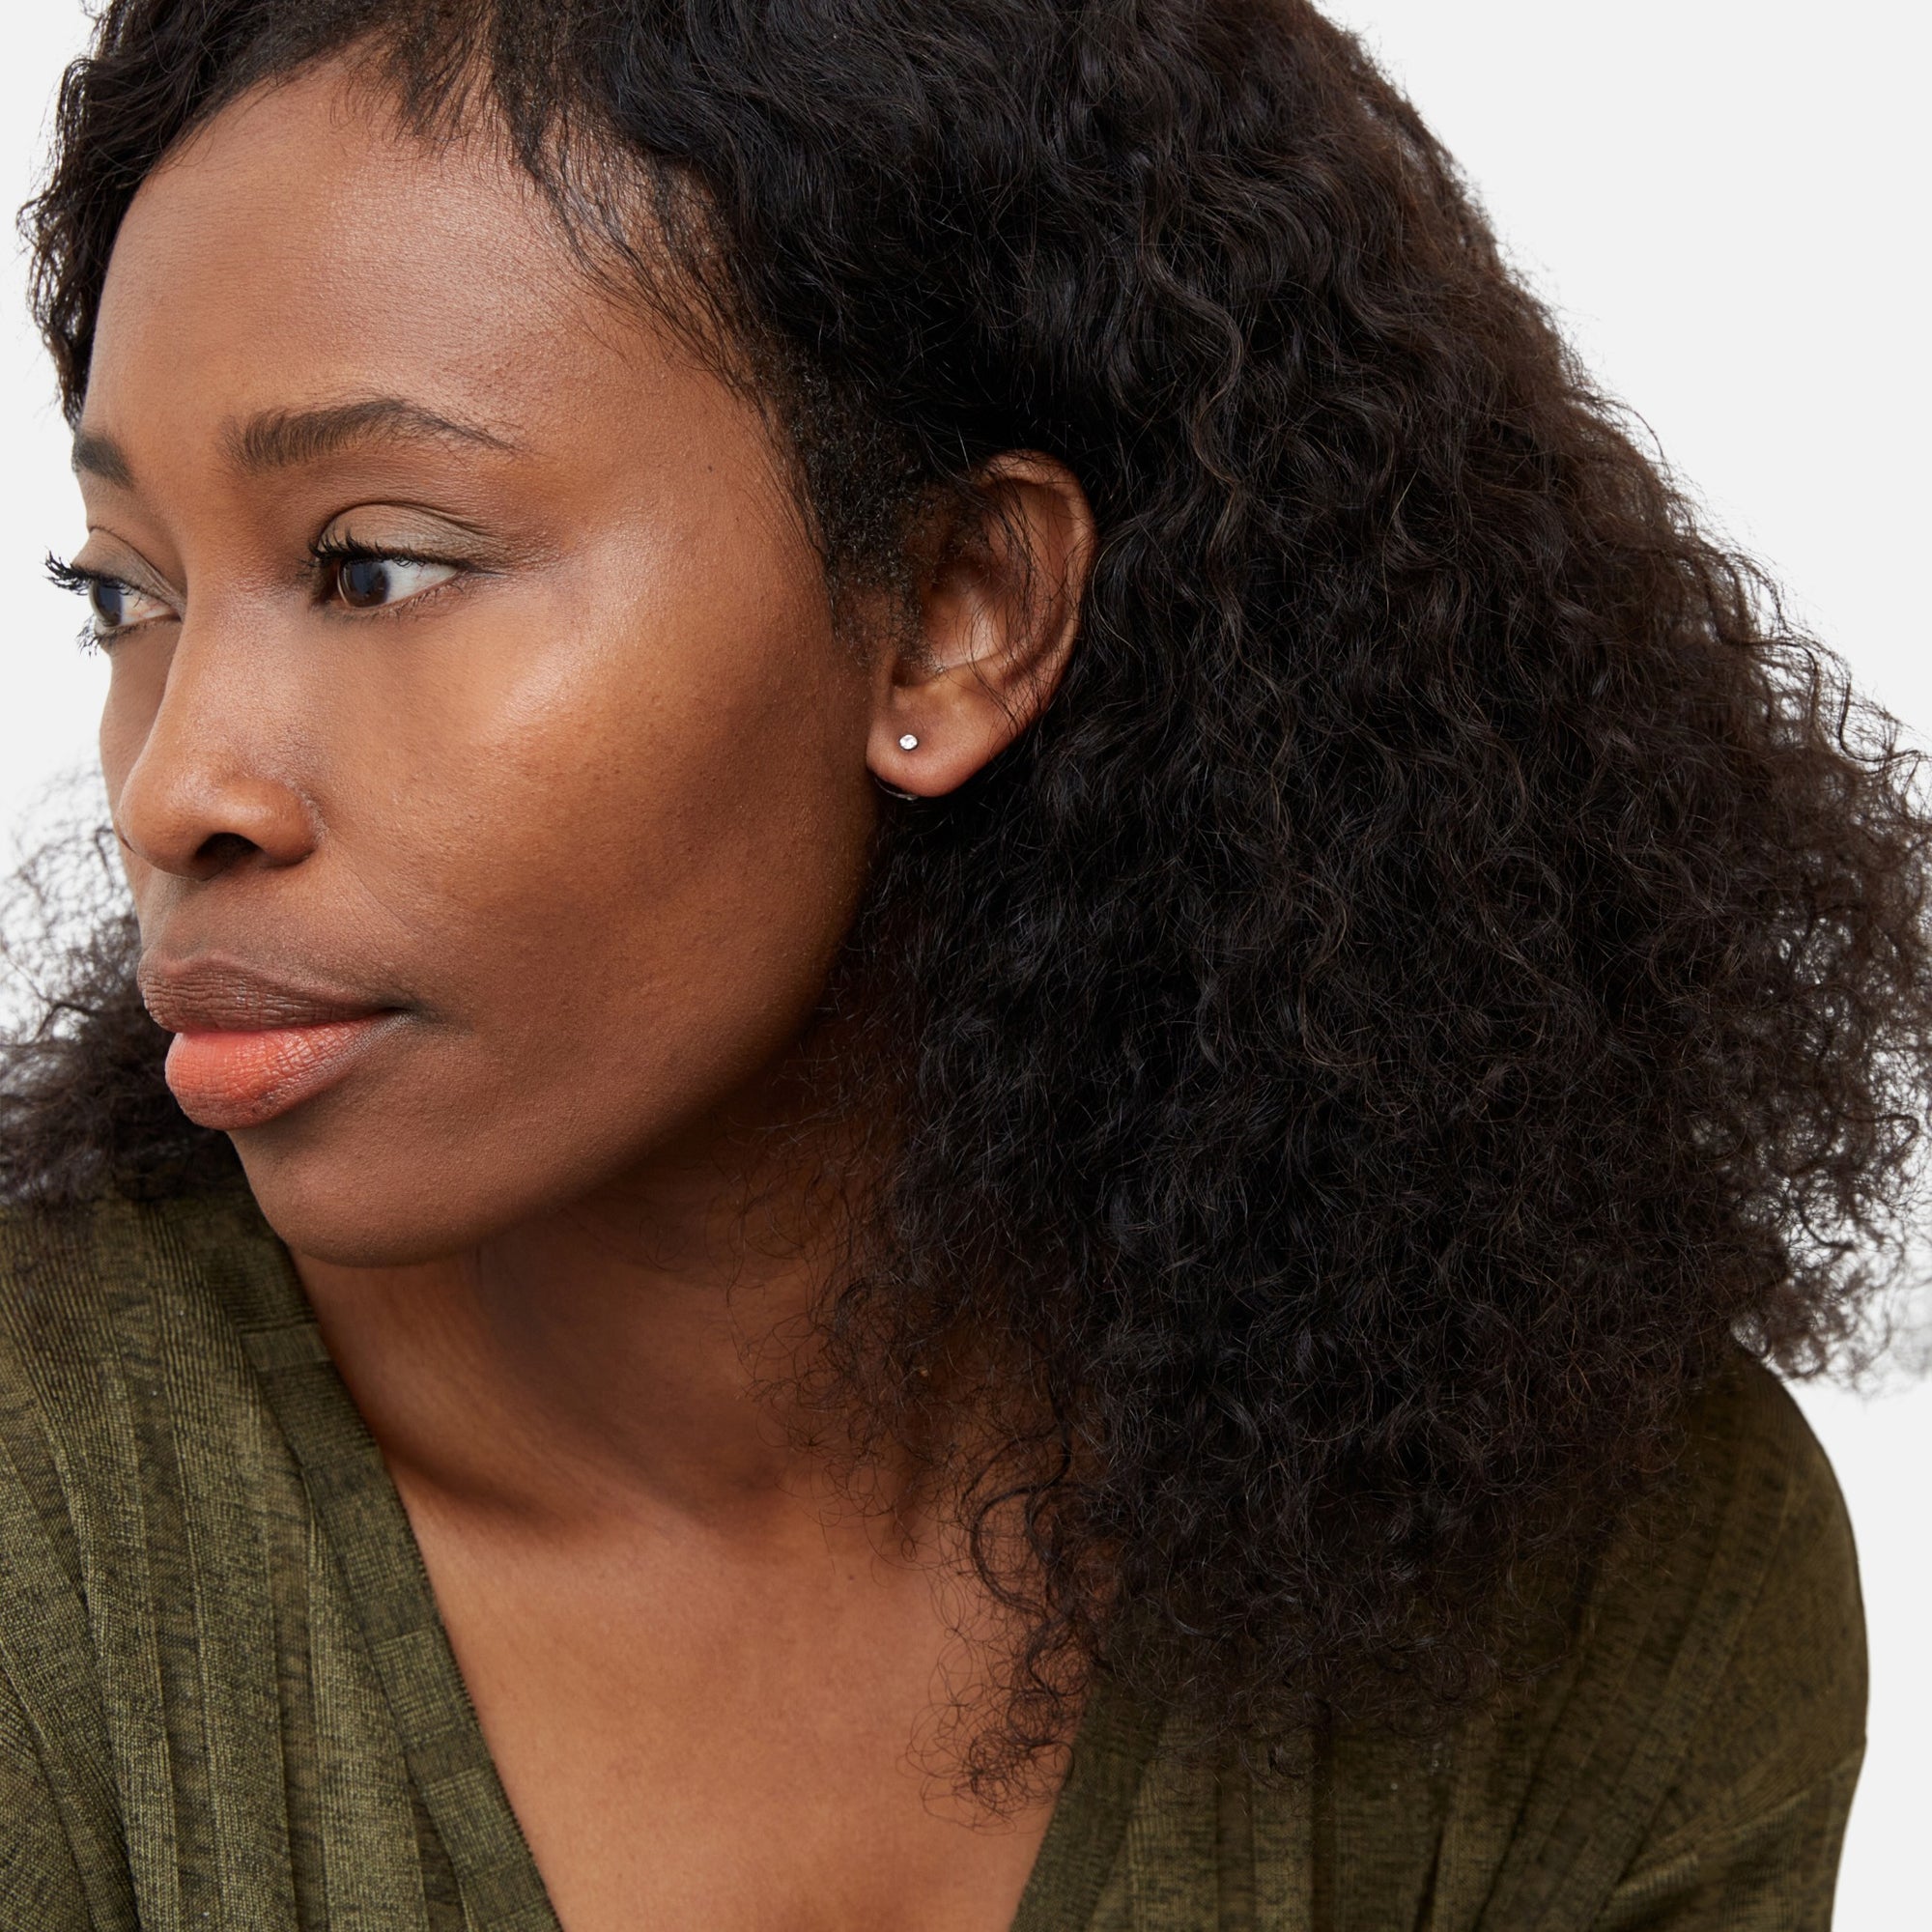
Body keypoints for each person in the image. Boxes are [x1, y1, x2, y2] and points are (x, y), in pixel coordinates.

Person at [0, 0, 1915, 1925]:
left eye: (374, 564)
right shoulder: (48, 1535)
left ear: (952, 615)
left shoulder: (1605, 1587)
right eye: (125, 590)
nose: (179, 788)